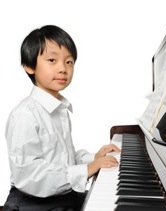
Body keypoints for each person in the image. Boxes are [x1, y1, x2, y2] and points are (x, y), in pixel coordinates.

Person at [3, 25, 120, 210]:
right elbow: (29, 175)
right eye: (52, 60)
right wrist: (87, 170)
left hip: (58, 194)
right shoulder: (24, 114)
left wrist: (93, 158)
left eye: (69, 62)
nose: (63, 68)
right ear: (29, 66)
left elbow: (62, 159)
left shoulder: (60, 109)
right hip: (33, 202)